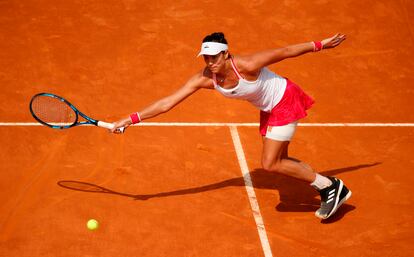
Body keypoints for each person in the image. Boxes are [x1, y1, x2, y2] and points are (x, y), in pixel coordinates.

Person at [110, 32, 351, 220]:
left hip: (285, 101)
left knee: (270, 163)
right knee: (281, 159)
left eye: (214, 57)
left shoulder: (247, 64)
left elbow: (286, 51)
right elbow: (167, 103)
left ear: (226, 54)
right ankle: (323, 185)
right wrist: (130, 119)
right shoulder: (205, 78)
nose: (210, 62)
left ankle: (330, 186)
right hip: (269, 108)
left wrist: (320, 44)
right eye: (206, 57)